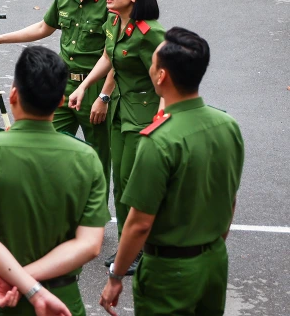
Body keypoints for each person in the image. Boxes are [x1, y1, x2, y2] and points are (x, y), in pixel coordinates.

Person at [0, 46, 108, 316]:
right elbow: (90, 244)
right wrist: (27, 281)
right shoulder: (86, 158)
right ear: (61, 101)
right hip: (61, 301)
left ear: (13, 95)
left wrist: (23, 284)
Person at [99, 28, 244, 316]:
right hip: (214, 260)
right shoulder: (228, 125)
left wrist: (116, 276)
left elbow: (139, 223)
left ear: (161, 76)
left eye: (153, 63)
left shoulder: (158, 141)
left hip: (169, 272)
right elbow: (229, 200)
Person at [0, 0, 113, 190]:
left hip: (94, 90)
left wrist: (104, 97)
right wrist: (0, 39)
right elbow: (44, 27)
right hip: (62, 89)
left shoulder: (110, 3)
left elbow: (112, 56)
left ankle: (93, 220)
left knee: (97, 157)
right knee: (48, 147)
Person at [69, 0, 165, 272]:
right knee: (121, 186)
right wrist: (89, 89)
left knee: (135, 185)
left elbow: (169, 75)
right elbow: (110, 59)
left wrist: (162, 118)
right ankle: (129, 246)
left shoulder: (152, 33)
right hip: (120, 112)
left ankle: (143, 247)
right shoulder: (115, 22)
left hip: (144, 116)